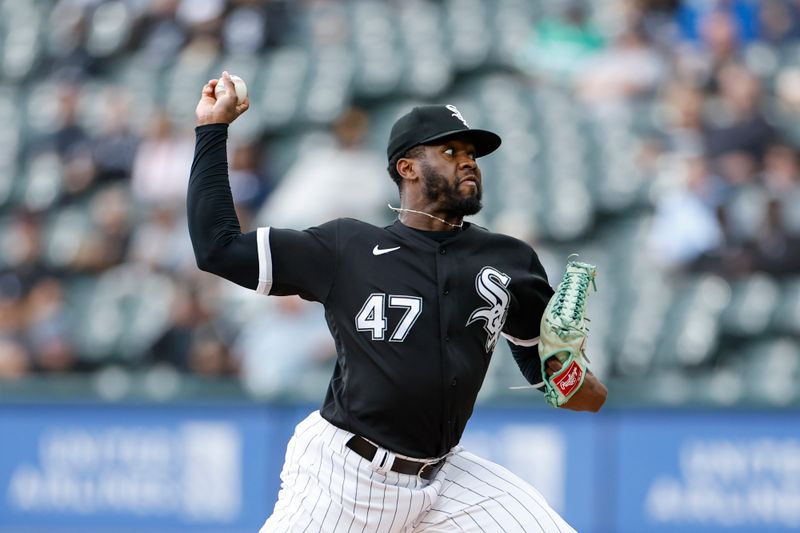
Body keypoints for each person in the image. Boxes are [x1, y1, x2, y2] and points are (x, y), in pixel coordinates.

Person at [188, 72, 608, 533]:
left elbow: (565, 388)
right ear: (407, 168)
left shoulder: (510, 260)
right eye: (450, 152)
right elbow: (218, 250)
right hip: (344, 477)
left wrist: (572, 373)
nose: (468, 162)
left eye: (472, 153)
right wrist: (213, 130)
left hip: (446, 479)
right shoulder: (345, 246)